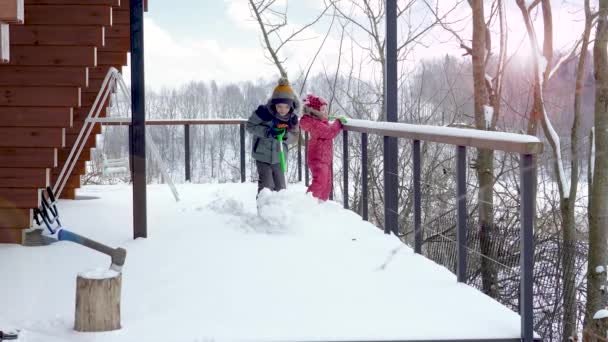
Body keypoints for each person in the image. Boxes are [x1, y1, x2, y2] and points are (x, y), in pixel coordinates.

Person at [246, 77, 299, 195]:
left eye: (286, 107)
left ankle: (278, 211)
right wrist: (268, 132)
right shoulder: (263, 113)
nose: (283, 110)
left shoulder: (292, 119)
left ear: (291, 106)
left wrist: (285, 135)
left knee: (281, 188)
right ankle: (263, 211)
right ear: (274, 104)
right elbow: (249, 126)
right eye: (279, 106)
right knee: (266, 186)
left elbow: (295, 137)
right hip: (262, 155)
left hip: (280, 157)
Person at [299, 94, 346, 201]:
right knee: (320, 181)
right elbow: (330, 132)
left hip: (324, 159)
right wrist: (338, 122)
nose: (325, 112)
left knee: (327, 184)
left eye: (326, 109)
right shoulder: (315, 124)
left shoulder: (319, 122)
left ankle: (321, 205)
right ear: (315, 112)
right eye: (323, 110)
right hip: (318, 159)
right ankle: (308, 203)